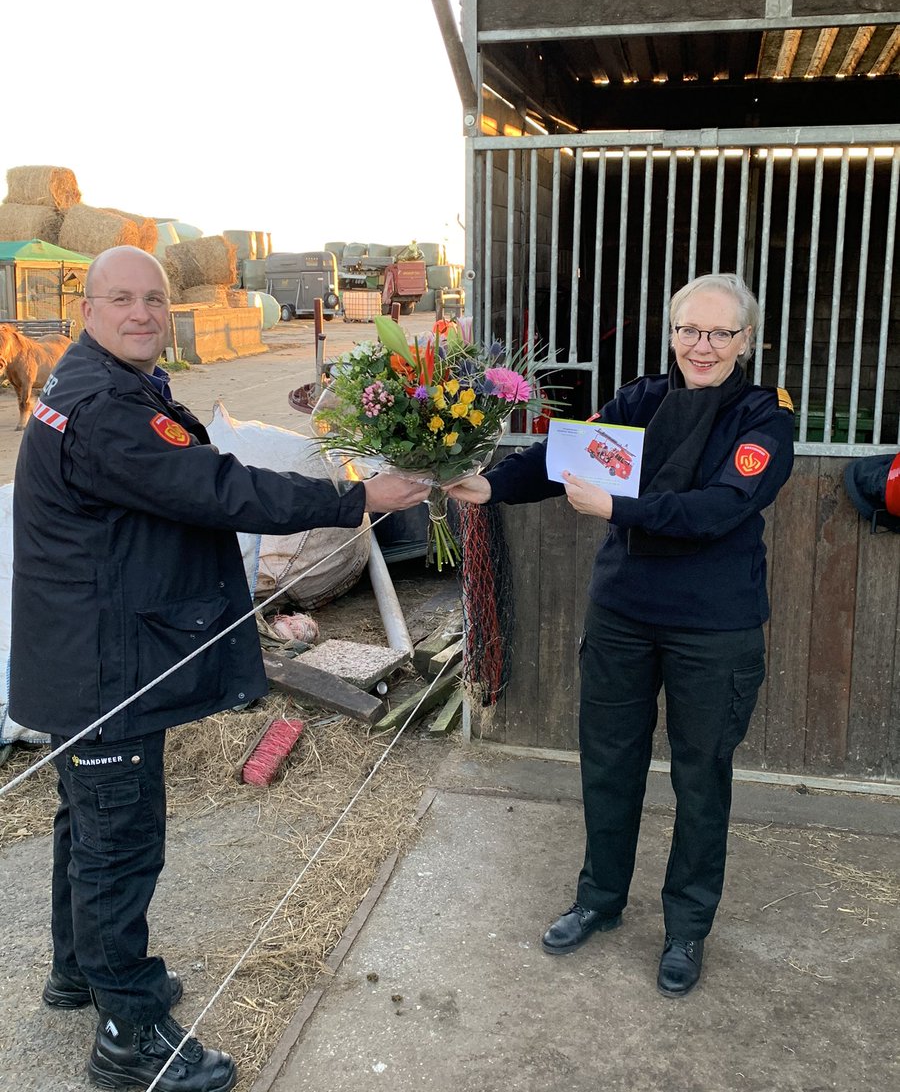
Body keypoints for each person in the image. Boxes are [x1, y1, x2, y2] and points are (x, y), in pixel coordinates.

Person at [9, 246, 429, 1092]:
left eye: (155, 300)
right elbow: (220, 489)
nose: (142, 314)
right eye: (121, 299)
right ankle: (129, 1033)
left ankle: (79, 975)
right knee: (120, 843)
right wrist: (355, 498)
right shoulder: (105, 408)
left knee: (86, 826)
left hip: (80, 652)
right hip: (105, 664)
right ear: (86, 309)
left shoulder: (86, 385)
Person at [449, 273, 794, 998]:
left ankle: (687, 927)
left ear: (746, 341)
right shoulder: (639, 400)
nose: (701, 346)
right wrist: (492, 485)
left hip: (714, 628)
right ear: (672, 334)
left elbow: (719, 508)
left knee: (701, 778)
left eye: (719, 333)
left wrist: (618, 507)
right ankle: (600, 900)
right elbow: (564, 460)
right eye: (688, 330)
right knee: (608, 763)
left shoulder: (764, 417)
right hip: (624, 617)